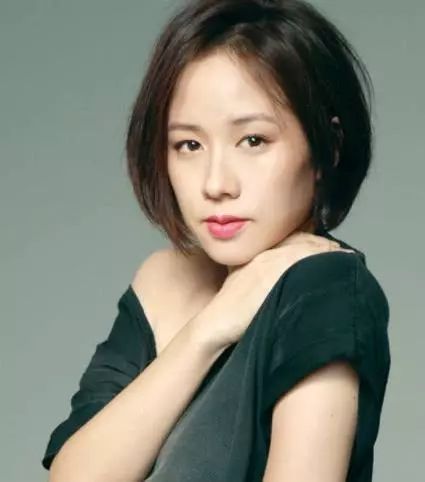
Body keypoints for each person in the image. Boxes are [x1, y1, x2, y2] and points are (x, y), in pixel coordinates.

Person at [41, 0, 391, 481]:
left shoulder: (325, 287)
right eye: (189, 145)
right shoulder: (163, 280)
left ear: (327, 148)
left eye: (253, 140)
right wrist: (210, 328)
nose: (215, 183)